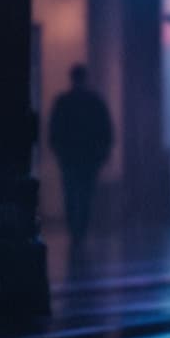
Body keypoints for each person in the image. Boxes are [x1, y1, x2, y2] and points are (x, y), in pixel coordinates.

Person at [46, 64, 114, 244]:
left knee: (71, 192)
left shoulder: (63, 102)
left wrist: (58, 150)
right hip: (89, 157)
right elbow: (105, 130)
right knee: (85, 194)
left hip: (69, 156)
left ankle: (75, 230)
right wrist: (103, 153)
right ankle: (80, 230)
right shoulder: (94, 102)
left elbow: (55, 130)